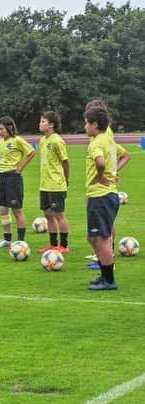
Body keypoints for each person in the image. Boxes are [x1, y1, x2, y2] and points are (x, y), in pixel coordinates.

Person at [83, 106, 120, 290]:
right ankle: (105, 274)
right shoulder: (108, 139)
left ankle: (109, 281)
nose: (85, 127)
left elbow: (101, 162)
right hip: (104, 194)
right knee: (92, 237)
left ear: (95, 124)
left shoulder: (96, 142)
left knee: (102, 239)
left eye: (86, 123)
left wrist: (100, 175)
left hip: (101, 195)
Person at [0, 116, 36, 248]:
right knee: (2, 209)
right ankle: (7, 239)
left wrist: (20, 168)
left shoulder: (17, 140)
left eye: (1, 129)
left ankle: (21, 241)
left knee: (16, 210)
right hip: (2, 177)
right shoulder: (0, 142)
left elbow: (32, 152)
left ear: (9, 127)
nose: (0, 132)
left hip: (13, 177)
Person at [37, 111, 71, 254]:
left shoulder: (57, 140)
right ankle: (53, 244)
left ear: (51, 124)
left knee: (59, 215)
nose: (40, 124)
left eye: (43, 121)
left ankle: (64, 246)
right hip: (44, 184)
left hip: (56, 184)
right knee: (48, 214)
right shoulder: (42, 140)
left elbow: (65, 162)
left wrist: (66, 178)